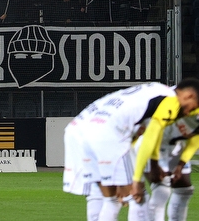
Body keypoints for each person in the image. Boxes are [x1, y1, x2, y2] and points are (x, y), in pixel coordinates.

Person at [63, 79, 199, 221]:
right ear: (188, 95)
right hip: (109, 134)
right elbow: (150, 138)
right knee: (137, 197)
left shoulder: (151, 90)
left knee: (101, 195)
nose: (189, 112)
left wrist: (153, 163)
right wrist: (136, 180)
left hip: (78, 128)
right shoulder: (171, 101)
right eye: (192, 107)